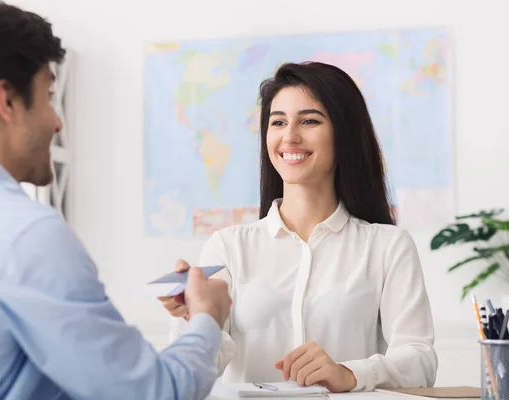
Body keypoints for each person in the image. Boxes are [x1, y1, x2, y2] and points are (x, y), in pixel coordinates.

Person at [0, 1, 231, 399]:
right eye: (48, 94)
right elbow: (153, 393)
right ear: (7, 102)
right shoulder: (25, 235)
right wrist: (207, 318)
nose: (56, 121)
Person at [160, 61, 438, 393]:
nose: (289, 136)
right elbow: (201, 368)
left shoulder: (387, 246)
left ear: (344, 134)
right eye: (278, 122)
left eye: (309, 121)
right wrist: (193, 318)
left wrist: (349, 373)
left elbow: (420, 361)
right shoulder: (229, 247)